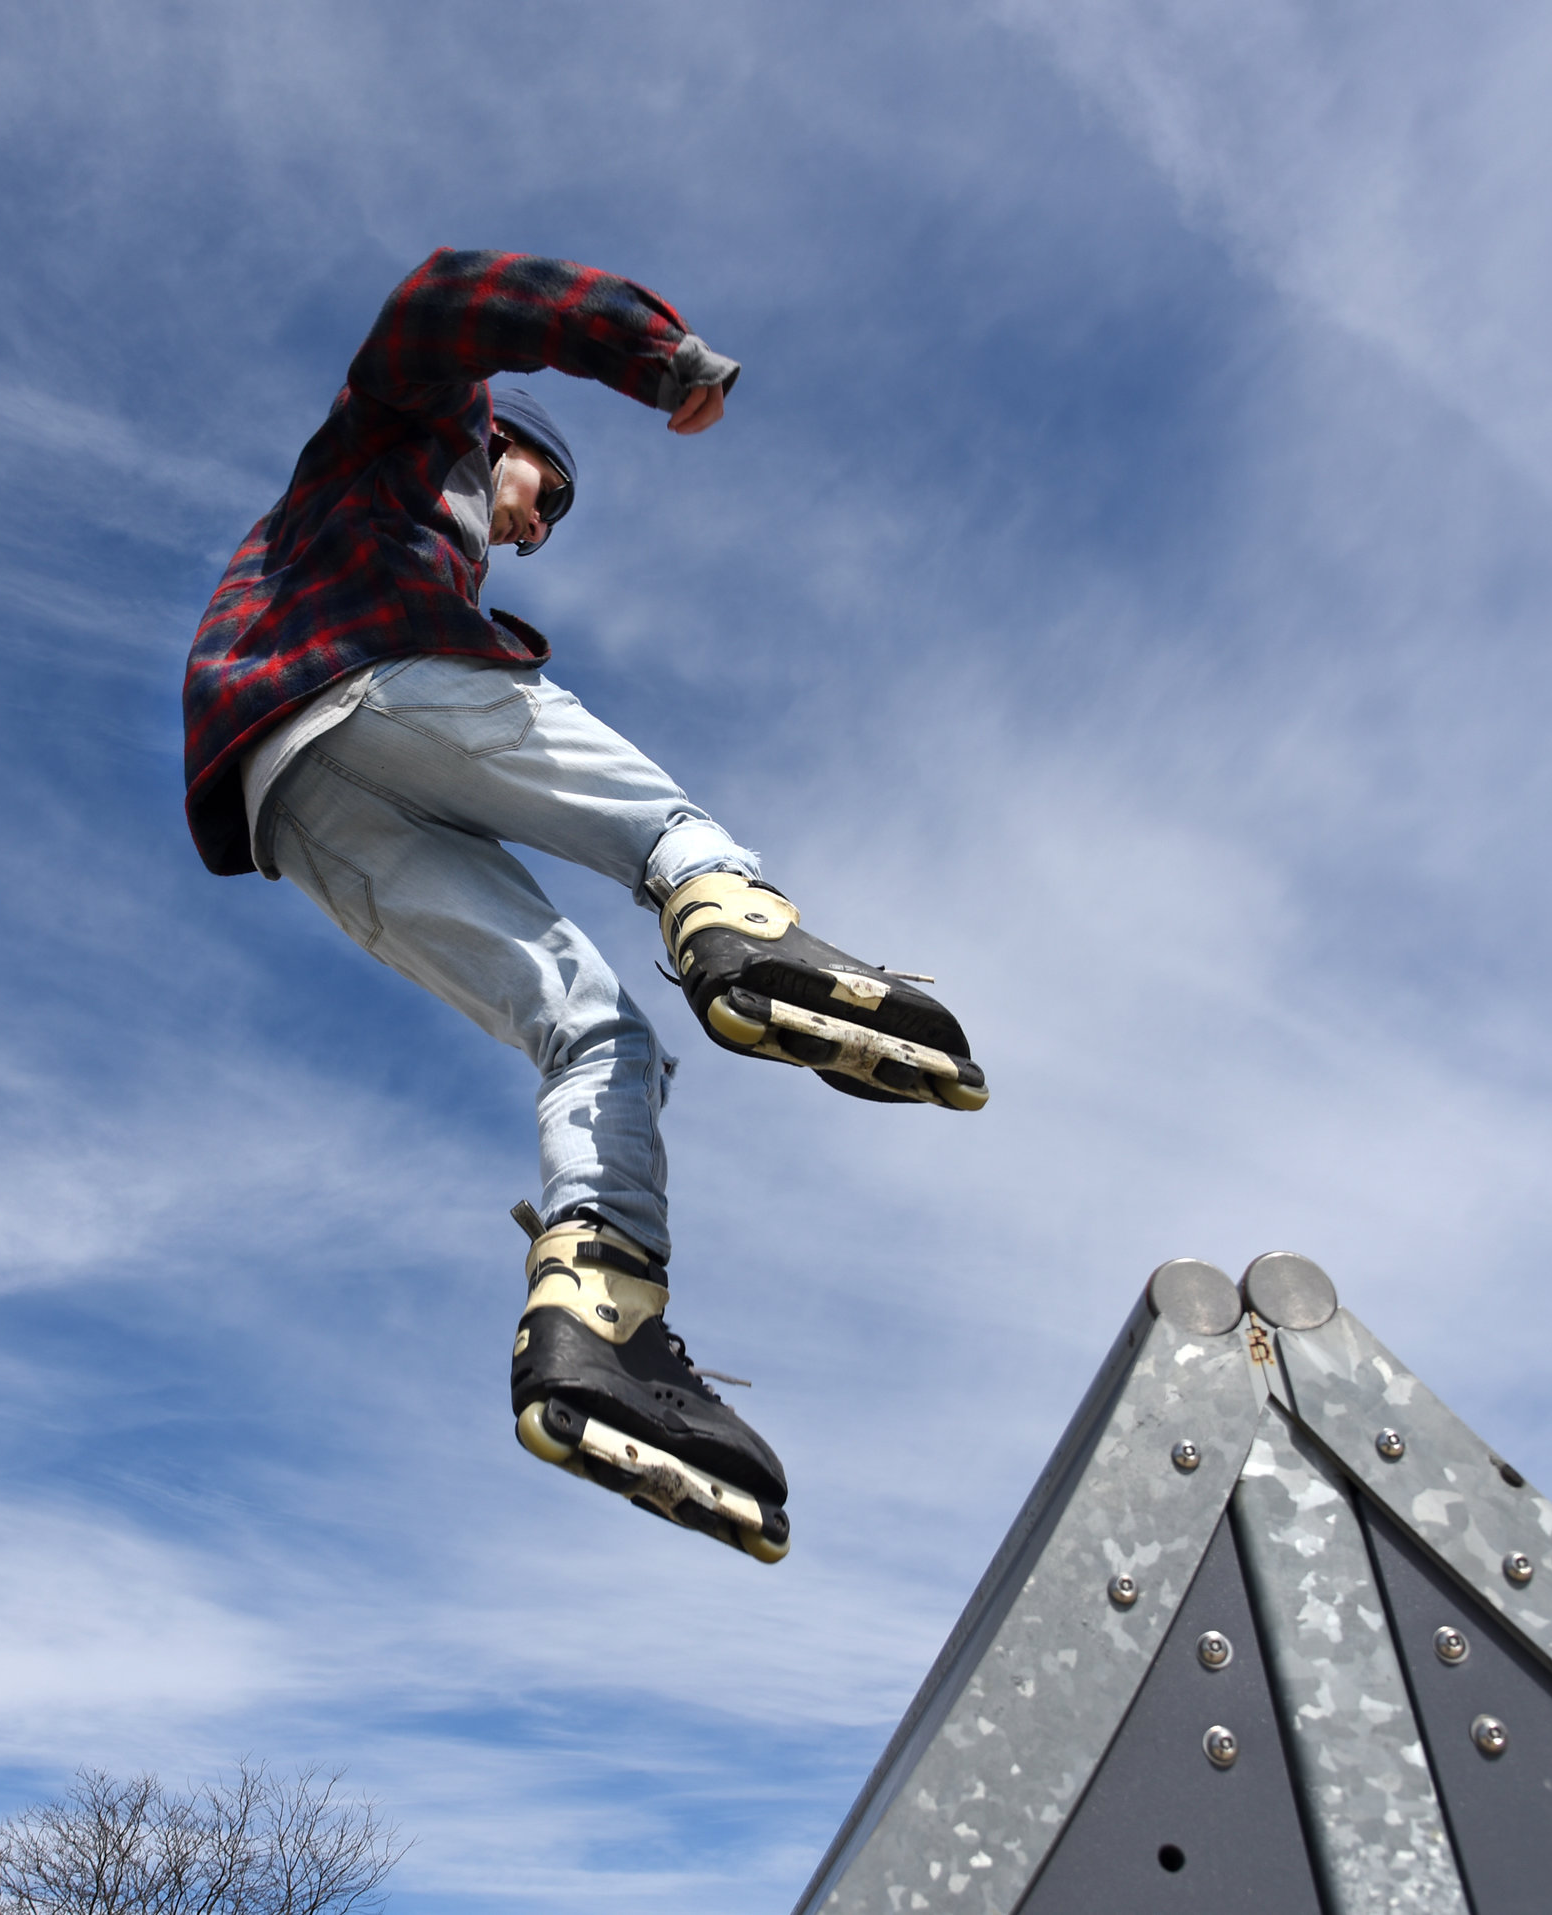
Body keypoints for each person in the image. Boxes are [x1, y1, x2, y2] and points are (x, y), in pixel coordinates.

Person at [182, 250, 986, 1561]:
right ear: (494, 436)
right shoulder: (415, 426)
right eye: (540, 491)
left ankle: (600, 1322)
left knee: (599, 1034)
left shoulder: (438, 537)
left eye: (551, 519)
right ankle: (734, 919)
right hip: (366, 674)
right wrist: (649, 352)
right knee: (666, 831)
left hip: (299, 807)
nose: (535, 525)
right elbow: (445, 296)